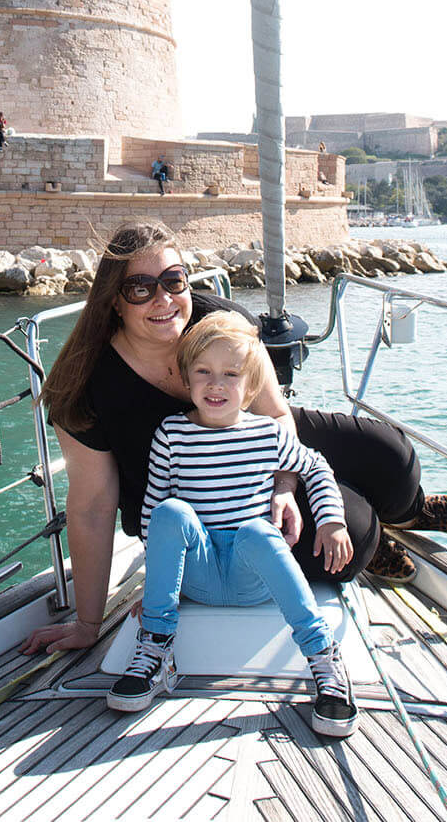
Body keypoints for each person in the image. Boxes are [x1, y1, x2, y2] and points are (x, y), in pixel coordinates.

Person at [22, 221, 447, 663]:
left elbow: (275, 414)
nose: (163, 299)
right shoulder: (84, 385)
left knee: (393, 457)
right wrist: (87, 623)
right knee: (353, 535)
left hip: (254, 435)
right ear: (114, 302)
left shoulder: (221, 321)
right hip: (200, 498)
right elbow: (92, 507)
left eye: (173, 281)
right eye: (140, 288)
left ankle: (408, 514)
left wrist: (285, 487)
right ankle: (377, 537)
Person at [108, 313, 357, 737]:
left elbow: (316, 469)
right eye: (203, 372)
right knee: (170, 511)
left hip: (250, 576)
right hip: (199, 575)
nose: (216, 385)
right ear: (186, 379)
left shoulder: (267, 434)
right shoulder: (172, 435)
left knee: (259, 531)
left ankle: (322, 657)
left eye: (230, 374)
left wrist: (332, 521)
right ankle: (155, 644)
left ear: (252, 385)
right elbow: (152, 514)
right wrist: (156, 590)